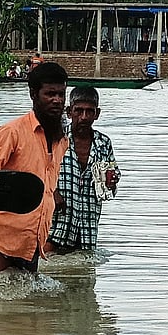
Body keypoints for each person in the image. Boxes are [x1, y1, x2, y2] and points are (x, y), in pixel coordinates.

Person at [0, 62, 69, 276]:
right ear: (34, 94)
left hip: (32, 238)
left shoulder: (62, 140)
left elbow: (46, 179)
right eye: (50, 94)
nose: (57, 100)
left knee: (24, 307)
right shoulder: (12, 132)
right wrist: (1, 183)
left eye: (61, 94)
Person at [47, 86, 120, 254]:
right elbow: (37, 171)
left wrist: (112, 181)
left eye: (89, 111)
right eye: (78, 111)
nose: (84, 117)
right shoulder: (55, 138)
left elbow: (110, 182)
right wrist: (53, 192)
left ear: (97, 114)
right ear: (69, 112)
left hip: (87, 223)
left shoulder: (104, 143)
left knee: (84, 273)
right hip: (56, 221)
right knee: (47, 263)